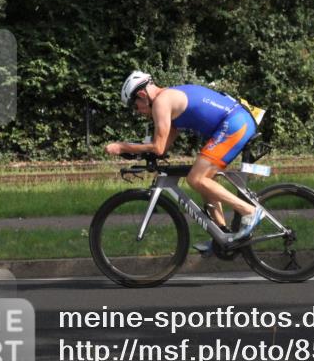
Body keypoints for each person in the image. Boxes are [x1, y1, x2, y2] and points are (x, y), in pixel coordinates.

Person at [104, 71, 264, 255]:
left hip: (235, 123)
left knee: (195, 179)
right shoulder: (169, 102)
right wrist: (141, 153)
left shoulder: (161, 102)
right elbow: (162, 149)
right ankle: (223, 237)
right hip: (235, 121)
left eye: (135, 106)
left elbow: (156, 147)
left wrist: (123, 147)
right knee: (204, 181)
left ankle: (249, 211)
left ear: (142, 95)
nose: (137, 111)